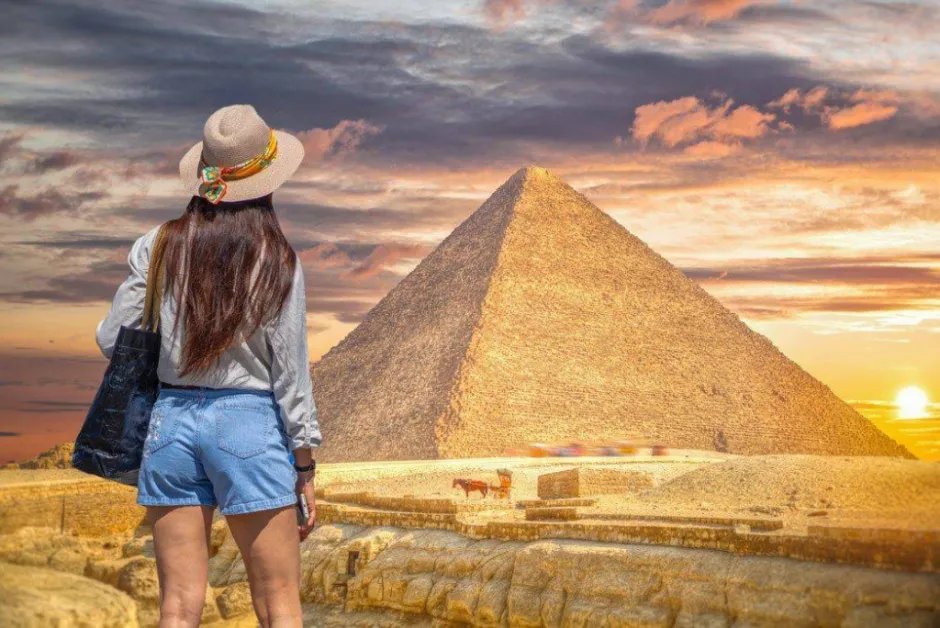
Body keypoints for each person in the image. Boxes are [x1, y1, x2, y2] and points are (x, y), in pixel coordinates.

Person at [95, 104, 321, 628]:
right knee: (277, 602)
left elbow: (113, 339)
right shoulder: (277, 258)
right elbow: (291, 376)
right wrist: (304, 465)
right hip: (248, 425)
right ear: (267, 182)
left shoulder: (157, 245)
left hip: (169, 425)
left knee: (176, 606)